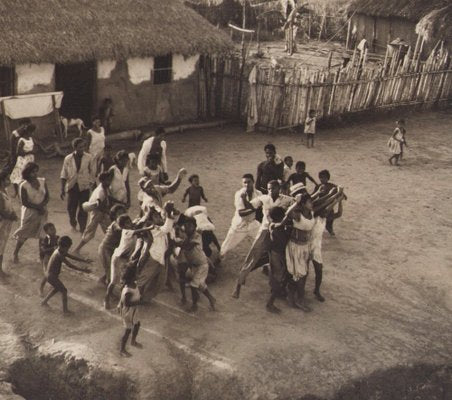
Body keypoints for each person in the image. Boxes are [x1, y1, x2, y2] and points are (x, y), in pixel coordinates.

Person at [232, 180, 294, 299]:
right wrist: (244, 199)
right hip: (265, 231)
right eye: (269, 189)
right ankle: (238, 285)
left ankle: (277, 290)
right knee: (252, 258)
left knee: (279, 262)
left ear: (278, 188)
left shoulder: (286, 199)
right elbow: (250, 206)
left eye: (273, 188)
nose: (270, 191)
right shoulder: (264, 198)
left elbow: (295, 206)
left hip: (278, 233)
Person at [104, 214, 154, 309]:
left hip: (125, 259)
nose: (130, 223)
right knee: (114, 281)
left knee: (125, 281)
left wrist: (146, 215)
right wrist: (149, 228)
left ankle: (120, 303)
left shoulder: (130, 228)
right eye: (127, 223)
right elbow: (137, 230)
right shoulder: (126, 231)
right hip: (118, 259)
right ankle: (106, 299)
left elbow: (138, 222)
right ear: (122, 226)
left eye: (130, 221)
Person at [309, 188, 345, 303]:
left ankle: (317, 290)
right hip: (305, 245)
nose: (327, 211)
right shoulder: (312, 216)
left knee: (319, 270)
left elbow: (338, 213)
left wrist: (339, 200)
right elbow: (324, 206)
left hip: (316, 247)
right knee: (302, 272)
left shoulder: (323, 217)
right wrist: (334, 196)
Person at [40, 236, 91, 314]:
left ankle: (44, 302)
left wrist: (84, 261)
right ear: (64, 247)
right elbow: (70, 265)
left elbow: (70, 256)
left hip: (49, 275)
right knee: (64, 291)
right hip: (51, 276)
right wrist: (83, 270)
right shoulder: (59, 254)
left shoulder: (59, 250)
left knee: (57, 289)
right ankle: (65, 311)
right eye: (68, 248)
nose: (68, 250)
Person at [175, 217, 216, 313]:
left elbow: (188, 246)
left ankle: (194, 306)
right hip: (194, 266)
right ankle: (211, 299)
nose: (188, 228)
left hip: (202, 265)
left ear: (194, 227)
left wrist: (176, 243)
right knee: (201, 285)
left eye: (190, 226)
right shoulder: (187, 236)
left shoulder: (196, 236)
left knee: (194, 285)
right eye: (186, 226)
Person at [13, 162, 49, 264]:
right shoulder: (23, 185)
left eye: (36, 171)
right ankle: (15, 253)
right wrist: (38, 207)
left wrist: (42, 206)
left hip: (43, 211)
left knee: (42, 234)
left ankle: (41, 256)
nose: (35, 174)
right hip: (30, 213)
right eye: (32, 172)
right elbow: (24, 202)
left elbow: (47, 197)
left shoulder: (42, 181)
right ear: (27, 173)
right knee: (24, 234)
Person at [284, 193, 316, 311]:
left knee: (301, 274)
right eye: (309, 202)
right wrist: (296, 203)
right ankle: (300, 300)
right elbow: (287, 214)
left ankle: (291, 296)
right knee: (301, 275)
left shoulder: (311, 214)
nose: (311, 204)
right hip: (295, 247)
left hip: (305, 247)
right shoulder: (297, 215)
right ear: (303, 204)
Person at [220, 174, 262, 257]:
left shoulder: (258, 193)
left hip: (253, 223)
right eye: (244, 182)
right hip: (239, 224)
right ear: (242, 184)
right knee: (227, 245)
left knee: (262, 241)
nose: (247, 184)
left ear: (253, 182)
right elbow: (241, 213)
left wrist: (247, 203)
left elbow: (250, 209)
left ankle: (265, 264)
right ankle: (220, 257)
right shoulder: (239, 194)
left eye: (249, 182)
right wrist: (254, 209)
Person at [60, 138, 95, 233]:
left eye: (83, 146)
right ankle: (73, 222)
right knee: (71, 208)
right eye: (80, 147)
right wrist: (62, 188)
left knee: (83, 209)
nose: (82, 149)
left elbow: (92, 172)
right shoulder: (68, 158)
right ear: (74, 148)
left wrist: (92, 184)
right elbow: (64, 173)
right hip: (72, 186)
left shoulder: (89, 157)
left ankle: (82, 228)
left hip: (84, 186)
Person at [74, 171, 114, 253]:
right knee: (90, 232)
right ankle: (77, 249)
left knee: (109, 230)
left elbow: (109, 199)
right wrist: (108, 211)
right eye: (108, 180)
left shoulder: (105, 188)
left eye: (110, 180)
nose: (109, 182)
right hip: (97, 213)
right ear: (102, 181)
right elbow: (99, 205)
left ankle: (111, 247)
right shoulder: (100, 191)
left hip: (102, 213)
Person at [266, 206, 290, 313]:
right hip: (277, 255)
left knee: (280, 275)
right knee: (278, 278)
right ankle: (270, 303)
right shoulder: (276, 226)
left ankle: (278, 291)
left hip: (275, 254)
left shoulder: (272, 225)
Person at [98, 204, 127, 285]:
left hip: (111, 250)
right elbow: (122, 229)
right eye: (119, 213)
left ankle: (102, 282)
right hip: (105, 250)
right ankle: (109, 293)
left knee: (112, 268)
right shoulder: (116, 224)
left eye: (123, 213)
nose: (122, 215)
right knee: (110, 271)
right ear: (114, 216)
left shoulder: (122, 223)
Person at [118, 265, 142, 357]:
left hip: (134, 310)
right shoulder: (128, 290)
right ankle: (122, 349)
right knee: (127, 330)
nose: (137, 275)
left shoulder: (134, 284)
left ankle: (133, 341)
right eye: (136, 274)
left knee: (137, 324)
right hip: (128, 312)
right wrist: (139, 302)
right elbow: (126, 303)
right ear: (131, 277)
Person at [0, 171, 18, 278]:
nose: (9, 181)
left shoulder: (5, 191)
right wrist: (12, 216)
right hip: (2, 224)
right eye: (7, 179)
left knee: (2, 247)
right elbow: (1, 211)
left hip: (5, 224)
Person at [10, 124, 36, 196]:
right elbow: (18, 152)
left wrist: (33, 151)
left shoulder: (31, 139)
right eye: (32, 132)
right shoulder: (21, 140)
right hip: (23, 161)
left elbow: (32, 147)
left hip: (30, 160)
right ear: (28, 132)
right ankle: (16, 192)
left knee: (29, 175)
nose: (33, 133)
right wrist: (29, 152)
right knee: (18, 176)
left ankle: (27, 192)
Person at [313, 169, 340, 236]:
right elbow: (314, 195)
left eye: (324, 178)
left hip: (329, 207)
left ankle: (330, 230)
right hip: (321, 207)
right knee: (318, 223)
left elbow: (339, 191)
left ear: (328, 178)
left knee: (329, 223)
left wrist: (343, 195)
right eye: (321, 177)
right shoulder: (318, 187)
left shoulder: (332, 186)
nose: (322, 179)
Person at [38, 222, 59, 295]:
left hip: (54, 258)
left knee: (54, 272)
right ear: (46, 232)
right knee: (47, 274)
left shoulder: (57, 238)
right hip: (46, 258)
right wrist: (53, 248)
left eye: (54, 229)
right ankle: (41, 287)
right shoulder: (45, 239)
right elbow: (43, 250)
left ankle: (53, 285)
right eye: (51, 229)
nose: (54, 230)